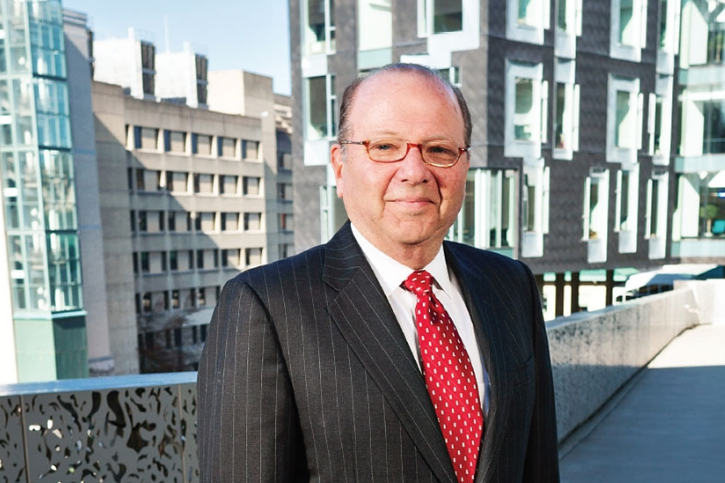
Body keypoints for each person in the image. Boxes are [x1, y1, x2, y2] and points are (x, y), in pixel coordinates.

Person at [197, 63, 560, 483]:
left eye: (439, 150)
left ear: (464, 167)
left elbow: (538, 465)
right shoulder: (263, 306)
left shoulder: (510, 284)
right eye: (385, 147)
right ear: (339, 165)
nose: (414, 171)